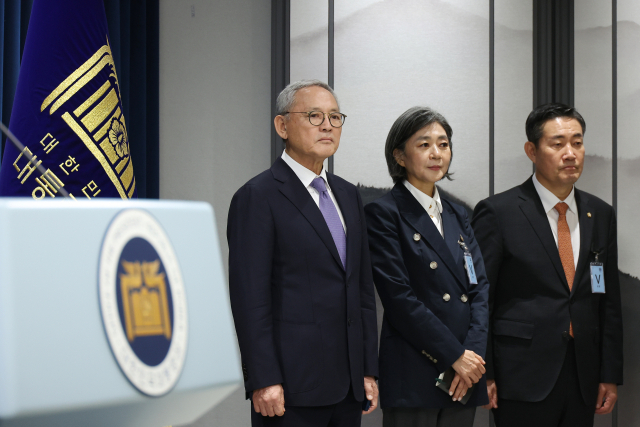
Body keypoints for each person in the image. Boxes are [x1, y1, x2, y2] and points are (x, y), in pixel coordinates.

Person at [227, 80, 379, 427]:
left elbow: (362, 290)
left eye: (335, 117)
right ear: (282, 125)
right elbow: (250, 299)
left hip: (348, 386)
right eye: (314, 116)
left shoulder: (347, 194)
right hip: (289, 388)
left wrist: (367, 369)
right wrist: (263, 378)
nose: (327, 125)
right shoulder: (258, 196)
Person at [471, 103, 623, 427]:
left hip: (584, 375)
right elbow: (480, 298)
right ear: (532, 150)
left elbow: (608, 302)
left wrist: (610, 374)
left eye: (577, 142)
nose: (570, 153)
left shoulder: (601, 214)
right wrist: (485, 373)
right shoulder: (499, 212)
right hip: (520, 376)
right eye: (558, 144)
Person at [365, 107, 489, 427]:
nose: (436, 153)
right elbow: (399, 299)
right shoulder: (384, 213)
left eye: (443, 144)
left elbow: (479, 289)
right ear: (400, 156)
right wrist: (454, 356)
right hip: (416, 371)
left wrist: (472, 357)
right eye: (424, 145)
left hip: (464, 374)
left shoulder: (458, 214)